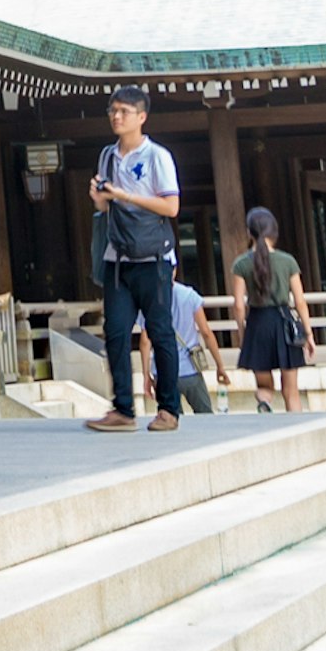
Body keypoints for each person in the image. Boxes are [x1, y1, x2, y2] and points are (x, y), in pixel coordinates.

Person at [84, 88, 182, 431]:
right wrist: (100, 198)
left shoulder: (157, 156)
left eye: (124, 111)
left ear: (142, 116)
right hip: (117, 256)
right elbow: (105, 207)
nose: (116, 116)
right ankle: (123, 409)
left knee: (159, 332)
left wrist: (125, 194)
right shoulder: (107, 156)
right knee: (115, 333)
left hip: (153, 258)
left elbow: (171, 207)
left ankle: (169, 409)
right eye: (113, 110)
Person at [229, 208, 309, 412]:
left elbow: (238, 305)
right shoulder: (288, 261)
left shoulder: (241, 264)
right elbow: (300, 301)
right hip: (284, 324)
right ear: (274, 232)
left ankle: (264, 402)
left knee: (264, 386)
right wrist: (308, 333)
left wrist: (242, 332)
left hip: (257, 324)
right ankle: (297, 429)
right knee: (291, 392)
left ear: (250, 233)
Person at [168, 272, 224, 415]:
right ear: (174, 270)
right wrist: (219, 365)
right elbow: (206, 332)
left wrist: (145, 374)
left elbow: (145, 341)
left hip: (163, 370)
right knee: (205, 414)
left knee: (172, 417)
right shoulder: (189, 295)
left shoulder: (149, 298)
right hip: (189, 367)